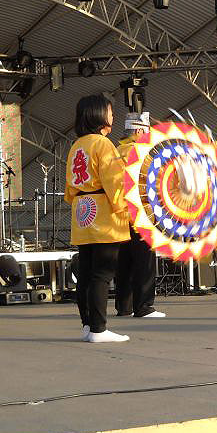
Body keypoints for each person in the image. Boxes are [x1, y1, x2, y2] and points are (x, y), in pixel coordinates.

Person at [64, 94, 130, 343]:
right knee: (102, 273)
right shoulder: (103, 145)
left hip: (83, 212)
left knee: (86, 272)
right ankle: (99, 329)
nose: (113, 116)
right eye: (110, 112)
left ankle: (88, 325)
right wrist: (124, 208)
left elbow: (70, 190)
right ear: (100, 115)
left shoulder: (77, 145)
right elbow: (115, 182)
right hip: (103, 213)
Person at [114, 112, 164, 318]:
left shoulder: (116, 151)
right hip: (140, 214)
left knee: (124, 262)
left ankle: (123, 306)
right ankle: (144, 306)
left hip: (119, 215)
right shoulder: (141, 152)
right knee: (144, 262)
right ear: (139, 130)